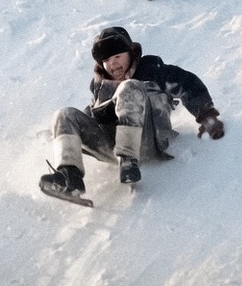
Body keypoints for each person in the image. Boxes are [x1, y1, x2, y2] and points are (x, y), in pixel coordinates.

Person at [39, 26, 225, 203]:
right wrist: (64, 131)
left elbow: (188, 83)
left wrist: (206, 114)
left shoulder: (152, 70)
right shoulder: (99, 86)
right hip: (113, 148)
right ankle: (70, 176)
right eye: (106, 61)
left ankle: (129, 160)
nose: (113, 64)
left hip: (149, 139)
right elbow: (91, 117)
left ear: (131, 53)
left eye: (118, 56)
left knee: (129, 87)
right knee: (65, 114)